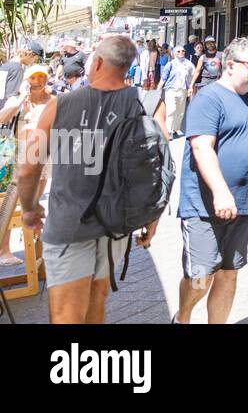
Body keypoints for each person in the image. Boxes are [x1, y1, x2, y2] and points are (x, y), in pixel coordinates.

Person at [16, 35, 151, 323]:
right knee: (96, 301)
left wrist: (29, 208)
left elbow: (28, 166)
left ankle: (72, 367)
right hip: (114, 225)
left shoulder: (60, 105)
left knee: (67, 314)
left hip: (70, 224)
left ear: (98, 62)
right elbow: (152, 169)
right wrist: (151, 221)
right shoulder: (141, 103)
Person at [174, 36, 248, 324]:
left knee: (229, 272)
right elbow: (201, 148)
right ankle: (183, 317)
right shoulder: (208, 98)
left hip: (241, 204)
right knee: (202, 275)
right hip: (205, 205)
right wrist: (221, 192)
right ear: (229, 65)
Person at [0, 64, 57, 266]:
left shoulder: (53, 100)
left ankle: (37, 248)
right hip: (20, 158)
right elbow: (1, 119)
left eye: (42, 76)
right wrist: (20, 102)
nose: (38, 81)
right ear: (27, 80)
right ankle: (4, 250)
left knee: (32, 203)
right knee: (11, 205)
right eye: (34, 77)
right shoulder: (18, 100)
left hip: (44, 159)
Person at [160, 44, 195, 139]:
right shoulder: (170, 64)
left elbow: (193, 76)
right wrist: (158, 90)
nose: (181, 53)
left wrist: (191, 88)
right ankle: (168, 131)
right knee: (171, 110)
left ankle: (176, 128)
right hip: (171, 90)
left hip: (183, 90)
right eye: (178, 51)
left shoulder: (189, 64)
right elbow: (163, 78)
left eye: (183, 51)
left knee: (180, 111)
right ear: (175, 53)